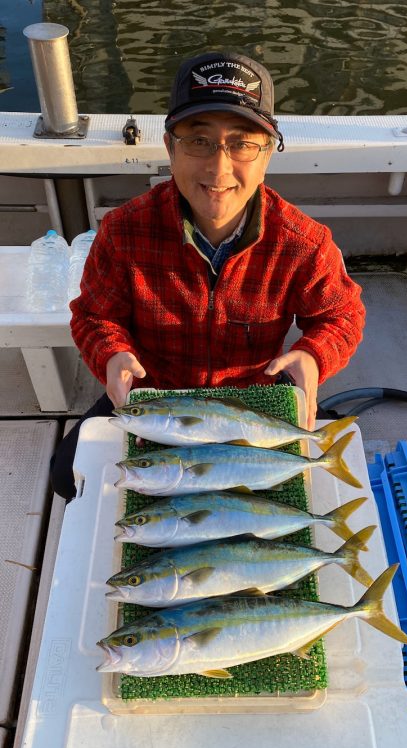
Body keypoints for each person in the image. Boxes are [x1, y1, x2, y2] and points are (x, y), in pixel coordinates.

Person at [50, 50, 365, 501]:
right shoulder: (123, 231)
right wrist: (112, 355)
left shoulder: (303, 241)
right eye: (199, 140)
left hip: (252, 403)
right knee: (67, 477)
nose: (219, 168)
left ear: (267, 155)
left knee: (297, 492)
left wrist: (313, 356)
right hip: (154, 400)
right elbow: (94, 316)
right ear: (169, 147)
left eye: (242, 142)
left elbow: (341, 316)